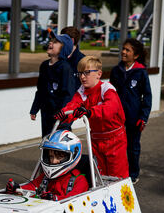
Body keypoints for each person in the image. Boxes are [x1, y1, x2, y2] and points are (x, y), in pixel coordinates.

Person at [55, 56, 129, 179]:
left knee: (117, 174)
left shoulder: (106, 89)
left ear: (99, 74)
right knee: (99, 175)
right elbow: (73, 105)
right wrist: (63, 114)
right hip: (95, 139)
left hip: (115, 140)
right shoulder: (82, 92)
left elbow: (110, 108)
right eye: (80, 73)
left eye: (86, 73)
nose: (82, 77)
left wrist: (90, 112)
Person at [110, 38, 153, 184]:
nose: (123, 52)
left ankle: (133, 173)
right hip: (117, 116)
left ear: (135, 55)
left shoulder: (141, 72)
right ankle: (118, 172)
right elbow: (111, 93)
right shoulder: (116, 71)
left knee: (133, 146)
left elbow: (147, 95)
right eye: (123, 49)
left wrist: (144, 117)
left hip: (134, 116)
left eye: (127, 50)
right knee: (116, 146)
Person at [5, 130, 89, 201]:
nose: (53, 161)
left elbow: (74, 201)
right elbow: (32, 187)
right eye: (51, 156)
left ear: (73, 156)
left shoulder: (79, 180)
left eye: (59, 157)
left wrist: (54, 198)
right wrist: (17, 188)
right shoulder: (46, 177)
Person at [29, 31, 75, 137]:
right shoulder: (44, 66)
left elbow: (68, 94)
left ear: (63, 49)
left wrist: (62, 114)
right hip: (46, 113)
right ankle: (45, 154)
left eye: (56, 42)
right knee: (46, 140)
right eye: (51, 40)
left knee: (58, 146)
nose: (51, 43)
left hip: (60, 116)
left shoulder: (65, 68)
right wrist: (35, 108)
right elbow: (40, 90)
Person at [60, 26, 85, 91]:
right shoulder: (57, 59)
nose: (59, 42)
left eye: (62, 39)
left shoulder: (84, 61)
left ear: (71, 40)